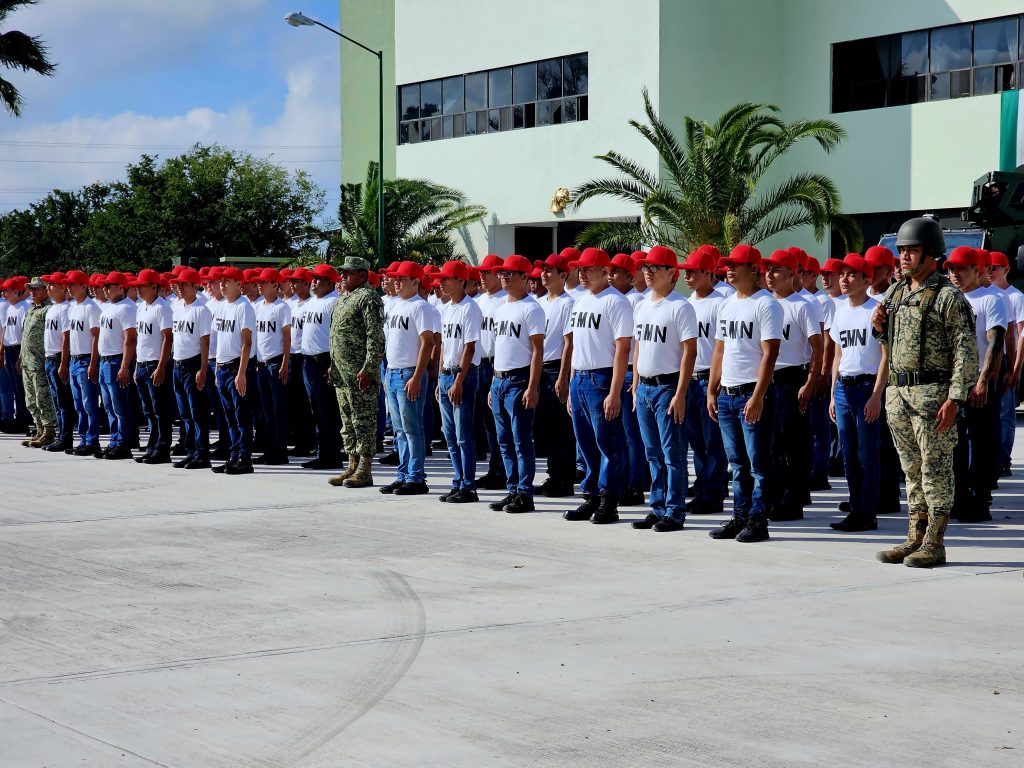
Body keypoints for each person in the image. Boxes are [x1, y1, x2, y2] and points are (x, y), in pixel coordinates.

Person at [872, 217, 978, 568]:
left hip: (933, 396)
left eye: (911, 250)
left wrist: (955, 398)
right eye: (901, 250)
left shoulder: (948, 297)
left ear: (931, 253)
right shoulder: (896, 292)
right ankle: (914, 536)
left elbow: (965, 351)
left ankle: (935, 542)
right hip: (899, 393)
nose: (903, 257)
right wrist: (878, 328)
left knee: (935, 470)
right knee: (911, 470)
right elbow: (890, 342)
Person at [706, 245, 782, 543]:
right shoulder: (726, 304)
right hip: (727, 394)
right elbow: (720, 350)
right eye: (728, 265)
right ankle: (740, 517)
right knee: (737, 463)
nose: (729, 270)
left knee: (758, 463)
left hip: (752, 393)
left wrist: (758, 395)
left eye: (735, 265)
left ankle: (758, 520)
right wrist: (712, 390)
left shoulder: (766, 304)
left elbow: (770, 353)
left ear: (753, 269)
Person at [563, 247, 634, 524]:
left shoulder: (616, 301)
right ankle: (591, 496)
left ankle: (608, 500)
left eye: (588, 270)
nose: (582, 274)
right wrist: (571, 384)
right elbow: (575, 346)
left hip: (602, 378)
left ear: (605, 272)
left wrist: (615, 392)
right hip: (580, 378)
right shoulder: (581, 301)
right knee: (586, 444)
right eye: (580, 270)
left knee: (608, 443)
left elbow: (623, 348)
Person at [630, 246, 698, 531]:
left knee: (673, 454)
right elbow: (638, 348)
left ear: (672, 273)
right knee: (652, 453)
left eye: (655, 268)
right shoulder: (641, 305)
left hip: (668, 387)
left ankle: (674, 510)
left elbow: (689, 352)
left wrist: (680, 394)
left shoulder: (680, 307)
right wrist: (635, 386)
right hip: (645, 388)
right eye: (646, 267)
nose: (648, 272)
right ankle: (657, 507)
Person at [828, 254, 888, 532]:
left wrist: (876, 395)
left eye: (852, 274)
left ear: (867, 280)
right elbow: (838, 355)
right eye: (842, 274)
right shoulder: (839, 310)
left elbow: (886, 356)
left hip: (866, 387)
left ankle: (867, 513)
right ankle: (856, 508)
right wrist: (832, 394)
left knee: (867, 454)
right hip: (844, 387)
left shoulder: (877, 310)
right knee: (848, 454)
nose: (844, 279)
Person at [946, 246, 1005, 524]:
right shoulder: (948, 299)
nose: (954, 274)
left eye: (960, 269)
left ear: (976, 270)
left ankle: (980, 500)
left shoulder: (990, 299)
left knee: (981, 443)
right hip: (953, 383)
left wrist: (983, 380)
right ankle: (959, 499)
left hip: (978, 381)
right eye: (951, 269)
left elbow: (995, 342)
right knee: (954, 444)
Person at [762, 249, 822, 522]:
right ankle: (775, 497)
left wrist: (810, 381)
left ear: (791, 274)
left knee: (793, 443)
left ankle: (794, 500)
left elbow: (817, 346)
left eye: (776, 270)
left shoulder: (802, 305)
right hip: (768, 379)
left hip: (791, 378)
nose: (770, 275)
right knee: (772, 442)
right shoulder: (764, 303)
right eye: (768, 270)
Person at [486, 254, 545, 513]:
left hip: (519, 380)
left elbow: (537, 351)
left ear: (524, 277)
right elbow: (499, 348)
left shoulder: (531, 309)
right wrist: (492, 383)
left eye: (509, 274)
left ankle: (524, 493)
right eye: (502, 273)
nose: (504, 278)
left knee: (521, 441)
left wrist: (532, 387)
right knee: (504, 441)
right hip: (499, 380)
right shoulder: (501, 308)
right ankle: (512, 490)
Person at [379, 260, 438, 495]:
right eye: (396, 278)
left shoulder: (420, 307)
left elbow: (428, 343)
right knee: (399, 429)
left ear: (415, 282)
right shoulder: (395, 305)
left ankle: (416, 477)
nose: (396, 282)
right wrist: (387, 374)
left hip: (409, 373)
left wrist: (417, 375)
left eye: (402, 279)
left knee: (412, 428)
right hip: (393, 372)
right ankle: (403, 474)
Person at [328, 256, 385, 488]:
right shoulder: (343, 298)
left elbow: (375, 336)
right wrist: (333, 363)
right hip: (342, 372)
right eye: (342, 272)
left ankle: (365, 469)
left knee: (363, 420)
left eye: (349, 273)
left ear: (362, 275)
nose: (343, 276)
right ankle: (352, 464)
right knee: (348, 421)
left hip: (360, 373)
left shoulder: (368, 298)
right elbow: (336, 334)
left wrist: (369, 368)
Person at [681, 247, 729, 515]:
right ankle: (703, 488)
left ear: (709, 273)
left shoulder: (721, 302)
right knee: (696, 441)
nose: (687, 277)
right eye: (685, 272)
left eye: (692, 272)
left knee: (713, 442)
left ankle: (712, 493)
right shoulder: (688, 302)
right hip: (689, 379)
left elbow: (724, 347)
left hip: (710, 379)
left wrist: (716, 381)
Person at [434, 260, 482, 502]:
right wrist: (440, 376)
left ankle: (469, 486)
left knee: (463, 435)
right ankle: (458, 480)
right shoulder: (447, 308)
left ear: (461, 281)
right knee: (450, 435)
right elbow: (444, 345)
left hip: (462, 375)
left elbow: (469, 347)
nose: (441, 282)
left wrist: (459, 380)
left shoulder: (469, 308)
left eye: (446, 278)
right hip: (446, 374)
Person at [536, 253, 577, 497]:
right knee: (547, 429)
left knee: (561, 428)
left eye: (550, 270)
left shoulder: (567, 303)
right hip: (539, 369)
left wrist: (563, 377)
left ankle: (564, 479)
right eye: (543, 269)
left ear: (563, 275)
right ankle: (553, 475)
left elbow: (569, 342)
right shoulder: (539, 302)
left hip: (555, 369)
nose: (544, 274)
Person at [610, 252, 648, 505]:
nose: (610, 276)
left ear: (629, 275)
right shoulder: (617, 299)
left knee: (632, 434)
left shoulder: (634, 300)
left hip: (630, 370)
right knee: (621, 434)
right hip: (619, 370)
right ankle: (626, 480)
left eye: (616, 272)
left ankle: (636, 483)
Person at [211, 266, 257, 475]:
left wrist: (241, 373)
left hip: (237, 367)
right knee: (229, 417)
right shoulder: (221, 307)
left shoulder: (243, 307)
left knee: (242, 416)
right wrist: (216, 369)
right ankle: (233, 456)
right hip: (222, 368)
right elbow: (220, 341)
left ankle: (245, 459)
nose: (222, 285)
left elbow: (247, 342)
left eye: (226, 281)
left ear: (239, 284)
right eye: (221, 281)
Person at [300, 263, 345, 470]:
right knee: (316, 410)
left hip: (324, 361)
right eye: (313, 279)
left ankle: (332, 454)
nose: (314, 282)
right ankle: (322, 452)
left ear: (330, 283)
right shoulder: (312, 302)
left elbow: (338, 337)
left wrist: (333, 363)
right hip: (308, 361)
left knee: (327, 411)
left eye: (318, 279)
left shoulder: (334, 302)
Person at [169, 268, 214, 469]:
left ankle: (202, 453)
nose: (180, 288)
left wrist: (203, 369)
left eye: (184, 285)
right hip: (178, 363)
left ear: (195, 286)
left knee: (198, 412)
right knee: (185, 413)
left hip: (193, 363)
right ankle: (191, 451)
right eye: (179, 284)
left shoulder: (201, 310)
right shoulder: (177, 307)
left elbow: (205, 341)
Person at [131, 269, 174, 464]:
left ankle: (163, 447)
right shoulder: (141, 307)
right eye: (138, 286)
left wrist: (161, 366)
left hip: (155, 364)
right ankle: (153, 445)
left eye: (142, 286)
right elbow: (140, 340)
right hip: (142, 364)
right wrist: (136, 366)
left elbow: (168, 337)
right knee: (148, 410)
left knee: (160, 410)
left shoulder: (161, 307)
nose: (139, 289)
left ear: (154, 287)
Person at [474, 254, 508, 489]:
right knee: (488, 423)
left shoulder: (504, 301)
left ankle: (502, 470)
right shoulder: (479, 301)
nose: (482, 277)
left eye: (487, 273)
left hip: (498, 364)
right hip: (481, 363)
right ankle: (493, 468)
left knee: (500, 421)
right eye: (481, 273)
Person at [988, 251, 1024, 475]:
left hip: (1007, 358)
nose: (990, 272)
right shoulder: (987, 295)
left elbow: (1020, 335)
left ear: (1006, 270)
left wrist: (1016, 368)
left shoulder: (1015, 297)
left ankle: (1003, 459)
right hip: (988, 361)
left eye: (995, 268)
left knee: (1005, 414)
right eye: (988, 268)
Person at [253, 268, 292, 466]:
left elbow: (287, 337)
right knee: (265, 411)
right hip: (261, 364)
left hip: (276, 363)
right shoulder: (258, 307)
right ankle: (269, 449)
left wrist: (285, 363)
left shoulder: (281, 307)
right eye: (259, 282)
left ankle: (279, 451)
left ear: (275, 285)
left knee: (278, 410)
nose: (260, 285)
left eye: (264, 282)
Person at [62, 270, 102, 456]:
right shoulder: (72, 307)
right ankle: (83, 439)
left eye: (73, 284)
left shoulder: (91, 307)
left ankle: (92, 441)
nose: (69, 287)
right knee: (78, 404)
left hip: (86, 359)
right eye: (68, 285)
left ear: (84, 286)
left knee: (89, 404)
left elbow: (96, 336)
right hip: (75, 359)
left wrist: (93, 363)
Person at [19, 277, 56, 448]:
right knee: (31, 399)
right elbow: (25, 336)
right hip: (27, 362)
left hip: (39, 361)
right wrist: (21, 357)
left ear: (45, 290)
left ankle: (49, 431)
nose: (32, 292)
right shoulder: (32, 310)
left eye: (36, 289)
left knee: (43, 397)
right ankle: (39, 429)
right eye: (30, 289)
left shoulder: (48, 310)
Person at [42, 273, 76, 453]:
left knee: (64, 402)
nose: (48, 288)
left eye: (51, 285)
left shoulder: (65, 308)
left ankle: (65, 437)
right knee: (56, 401)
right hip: (49, 358)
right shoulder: (52, 308)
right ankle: (59, 435)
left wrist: (63, 362)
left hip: (58, 358)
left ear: (62, 287)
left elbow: (66, 337)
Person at [285, 267, 316, 457]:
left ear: (306, 284)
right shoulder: (293, 305)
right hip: (293, 356)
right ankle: (300, 440)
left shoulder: (311, 305)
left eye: (296, 281)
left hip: (305, 356)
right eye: (291, 281)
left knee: (306, 402)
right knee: (295, 401)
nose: (292, 284)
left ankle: (309, 441)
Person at [0, 277, 30, 432]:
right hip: (9, 350)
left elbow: (25, 334)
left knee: (20, 389)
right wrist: (2, 350)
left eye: (7, 291)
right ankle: (19, 419)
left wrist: (21, 357)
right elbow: (5, 330)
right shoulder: (11, 308)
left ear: (16, 291)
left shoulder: (24, 307)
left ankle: (22, 420)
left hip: (18, 349)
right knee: (14, 387)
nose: (4, 294)